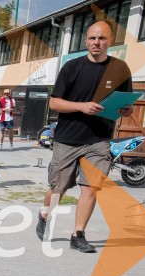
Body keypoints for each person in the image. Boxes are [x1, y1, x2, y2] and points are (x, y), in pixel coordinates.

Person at [36, 19, 133, 253]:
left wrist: (126, 110)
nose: (96, 42)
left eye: (101, 38)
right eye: (92, 38)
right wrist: (81, 107)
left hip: (99, 139)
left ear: (111, 41)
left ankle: (77, 234)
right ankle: (44, 213)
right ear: (86, 40)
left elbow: (127, 105)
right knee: (58, 188)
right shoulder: (72, 67)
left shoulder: (120, 69)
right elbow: (55, 102)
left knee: (90, 188)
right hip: (68, 139)